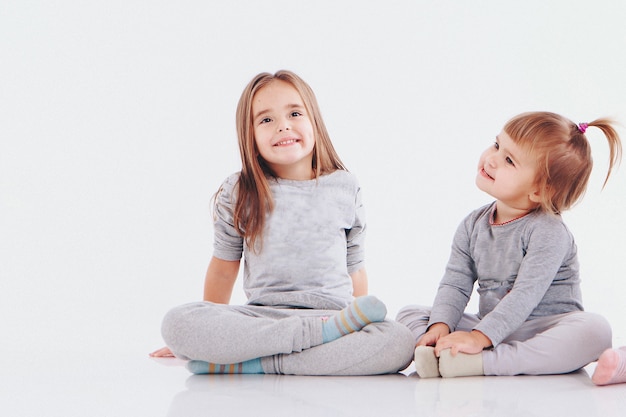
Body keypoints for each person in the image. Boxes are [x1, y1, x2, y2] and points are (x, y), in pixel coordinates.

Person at [150, 70, 414, 375]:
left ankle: (255, 364)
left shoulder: (345, 186)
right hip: (264, 321)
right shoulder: (238, 191)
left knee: (399, 341)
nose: (283, 125)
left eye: (294, 113)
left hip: (332, 319)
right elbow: (223, 270)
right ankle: (301, 350)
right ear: (250, 136)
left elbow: (354, 266)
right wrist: (207, 333)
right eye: (266, 120)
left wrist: (359, 317)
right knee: (177, 322)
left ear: (314, 120)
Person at [396, 111, 622, 378]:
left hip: (544, 329)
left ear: (539, 191)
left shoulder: (548, 230)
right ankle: (439, 349)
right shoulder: (472, 225)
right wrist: (440, 326)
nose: (491, 159)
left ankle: (484, 362)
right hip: (492, 324)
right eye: (496, 145)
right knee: (411, 313)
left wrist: (480, 337)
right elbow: (455, 283)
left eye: (508, 160)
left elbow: (525, 294)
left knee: (595, 331)